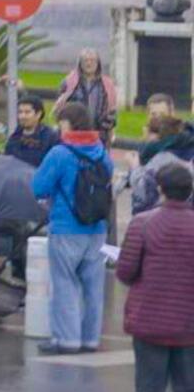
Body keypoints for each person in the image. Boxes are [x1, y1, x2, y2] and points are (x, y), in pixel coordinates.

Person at [115, 161, 194, 392]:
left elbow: (125, 271)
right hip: (189, 326)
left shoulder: (143, 224)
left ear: (160, 189)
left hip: (149, 323)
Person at [34, 102, 113, 355]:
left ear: (69, 124)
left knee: (65, 283)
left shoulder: (60, 153)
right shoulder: (101, 151)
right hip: (97, 228)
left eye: (61, 122)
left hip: (67, 226)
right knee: (93, 287)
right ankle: (90, 339)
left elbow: (39, 187)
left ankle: (67, 339)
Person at [5, 97, 59, 168]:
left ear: (38, 114)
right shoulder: (14, 137)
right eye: (20, 112)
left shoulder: (50, 137)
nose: (22, 116)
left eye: (27, 112)